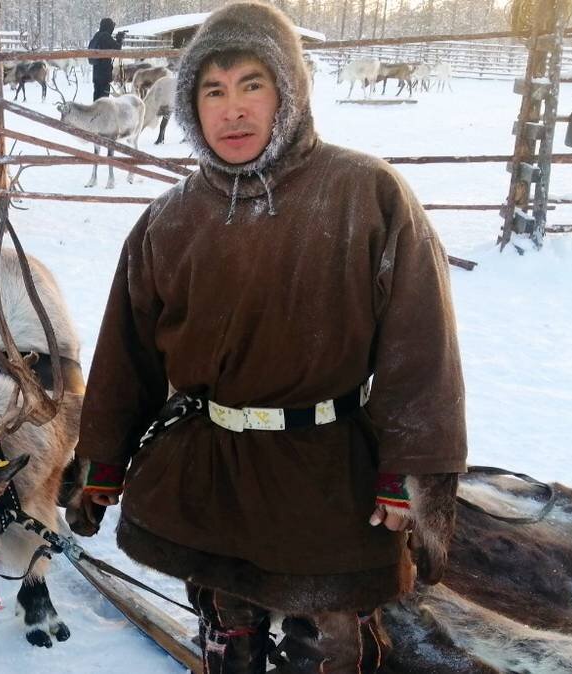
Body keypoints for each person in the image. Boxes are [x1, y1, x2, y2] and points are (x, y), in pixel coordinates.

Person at [67, 2, 467, 672]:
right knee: (227, 628)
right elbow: (125, 359)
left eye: (253, 84)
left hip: (325, 474)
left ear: (290, 90)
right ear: (191, 105)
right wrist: (102, 461)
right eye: (213, 91)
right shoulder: (168, 221)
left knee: (333, 645)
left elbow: (420, 349)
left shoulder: (367, 194)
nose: (233, 110)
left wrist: (411, 474)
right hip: (210, 468)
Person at [88, 17, 126, 101]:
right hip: (104, 73)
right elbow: (117, 48)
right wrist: (119, 39)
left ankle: (95, 112)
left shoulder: (97, 35)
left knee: (97, 97)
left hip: (96, 73)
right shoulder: (106, 36)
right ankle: (102, 113)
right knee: (104, 100)